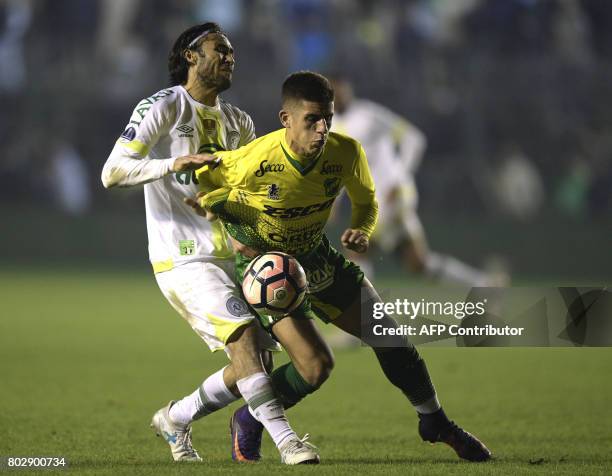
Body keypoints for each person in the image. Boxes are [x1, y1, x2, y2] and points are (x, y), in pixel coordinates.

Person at [190, 71, 492, 463]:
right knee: (316, 368)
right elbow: (205, 175)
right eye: (311, 120)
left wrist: (360, 230)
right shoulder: (255, 160)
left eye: (327, 119)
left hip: (316, 257)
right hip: (268, 268)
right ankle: (249, 417)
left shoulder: (345, 151)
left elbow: (367, 203)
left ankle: (434, 419)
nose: (322, 129)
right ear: (286, 120)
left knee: (390, 338)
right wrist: (218, 213)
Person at [101, 23, 319, 465]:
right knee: (242, 340)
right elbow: (113, 171)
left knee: (253, 364)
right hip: (183, 258)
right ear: (190, 55)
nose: (229, 57)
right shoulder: (164, 106)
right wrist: (171, 163)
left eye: (233, 53)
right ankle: (288, 442)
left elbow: (250, 191)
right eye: (220, 50)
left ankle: (176, 417)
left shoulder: (239, 122)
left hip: (234, 257)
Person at [329, 76, 507, 286]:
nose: (337, 95)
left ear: (348, 90)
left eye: (340, 89)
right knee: (419, 263)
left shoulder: (369, 115)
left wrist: (398, 178)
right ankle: (485, 284)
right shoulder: (331, 128)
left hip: (395, 195)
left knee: (356, 251)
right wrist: (335, 201)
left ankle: (365, 312)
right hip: (375, 201)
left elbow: (414, 139)